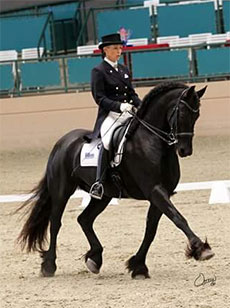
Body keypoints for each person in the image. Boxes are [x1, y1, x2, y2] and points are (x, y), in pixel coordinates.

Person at [87, 33, 142, 199]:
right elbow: (99, 98)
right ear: (105, 50)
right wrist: (119, 106)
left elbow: (132, 93)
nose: (119, 51)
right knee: (108, 139)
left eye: (120, 48)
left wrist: (142, 105)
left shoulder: (124, 70)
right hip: (110, 115)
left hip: (128, 112)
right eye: (115, 48)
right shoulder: (98, 71)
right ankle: (99, 182)